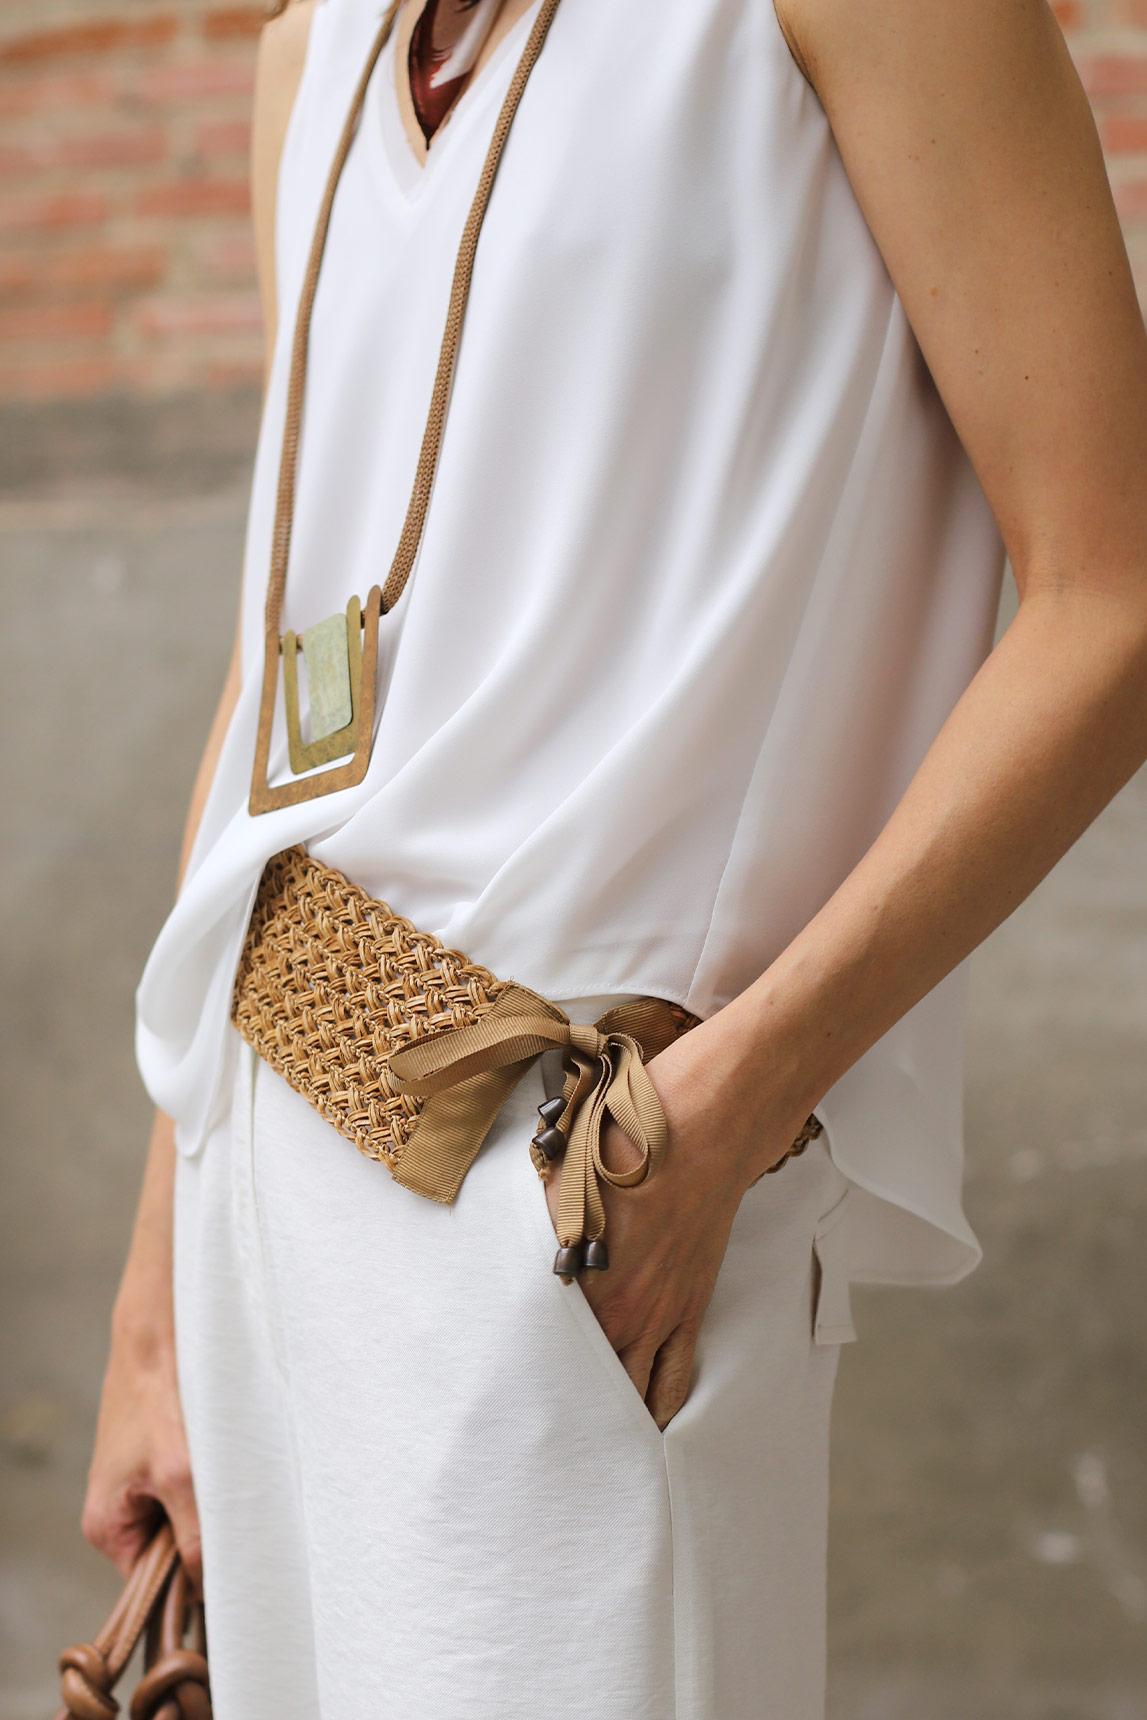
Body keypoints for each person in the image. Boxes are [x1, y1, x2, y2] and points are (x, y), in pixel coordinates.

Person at [82, 0, 1147, 1715]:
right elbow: (275, 674)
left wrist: (732, 1106)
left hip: (582, 1196)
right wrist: (156, 1299)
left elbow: (1116, 597)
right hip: (256, 1179)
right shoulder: (315, 54)